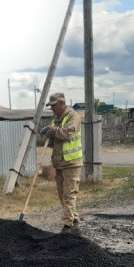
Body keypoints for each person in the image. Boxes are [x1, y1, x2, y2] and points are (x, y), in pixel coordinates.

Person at [40, 92, 83, 234]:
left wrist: (52, 129)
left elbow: (66, 134)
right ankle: (74, 221)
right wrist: (49, 136)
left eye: (53, 106)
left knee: (69, 194)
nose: (51, 108)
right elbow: (55, 142)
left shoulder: (73, 116)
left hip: (72, 162)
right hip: (59, 162)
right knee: (62, 195)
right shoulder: (56, 119)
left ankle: (67, 226)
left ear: (61, 103)